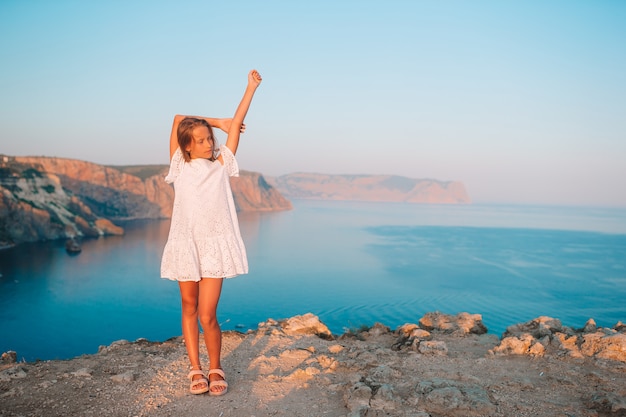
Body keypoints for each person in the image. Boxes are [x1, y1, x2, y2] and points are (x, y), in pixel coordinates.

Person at [160, 69, 263, 395]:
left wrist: (250, 88)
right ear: (186, 147)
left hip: (213, 247)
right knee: (188, 308)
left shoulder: (222, 166)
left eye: (210, 139)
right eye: (202, 140)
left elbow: (238, 124)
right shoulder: (180, 166)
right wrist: (217, 121)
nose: (209, 143)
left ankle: (215, 366)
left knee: (208, 314)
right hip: (186, 244)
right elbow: (178, 117)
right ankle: (195, 369)